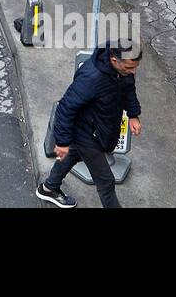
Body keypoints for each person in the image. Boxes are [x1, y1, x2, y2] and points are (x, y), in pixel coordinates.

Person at [37, 40, 144, 208]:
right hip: (84, 132)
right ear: (114, 60)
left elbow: (128, 89)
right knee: (106, 181)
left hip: (99, 127)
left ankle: (48, 188)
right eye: (129, 68)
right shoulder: (91, 77)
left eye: (135, 67)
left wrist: (133, 115)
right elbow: (65, 107)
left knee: (73, 154)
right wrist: (63, 141)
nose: (133, 72)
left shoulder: (123, 72)